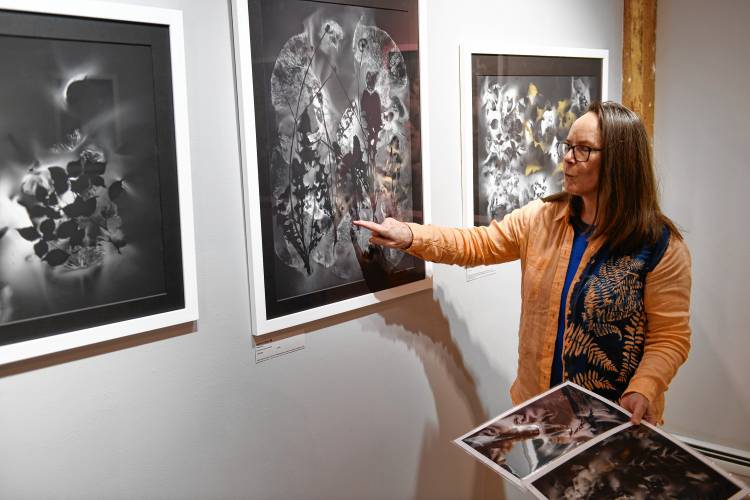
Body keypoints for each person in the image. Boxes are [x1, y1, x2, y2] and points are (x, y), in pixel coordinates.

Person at [354, 101, 691, 425]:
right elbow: (478, 244)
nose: (567, 160)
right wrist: (409, 236)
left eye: (583, 150)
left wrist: (644, 388)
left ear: (620, 162)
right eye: (567, 146)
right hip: (544, 414)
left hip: (617, 421)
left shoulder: (659, 245)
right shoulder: (542, 219)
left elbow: (670, 336)